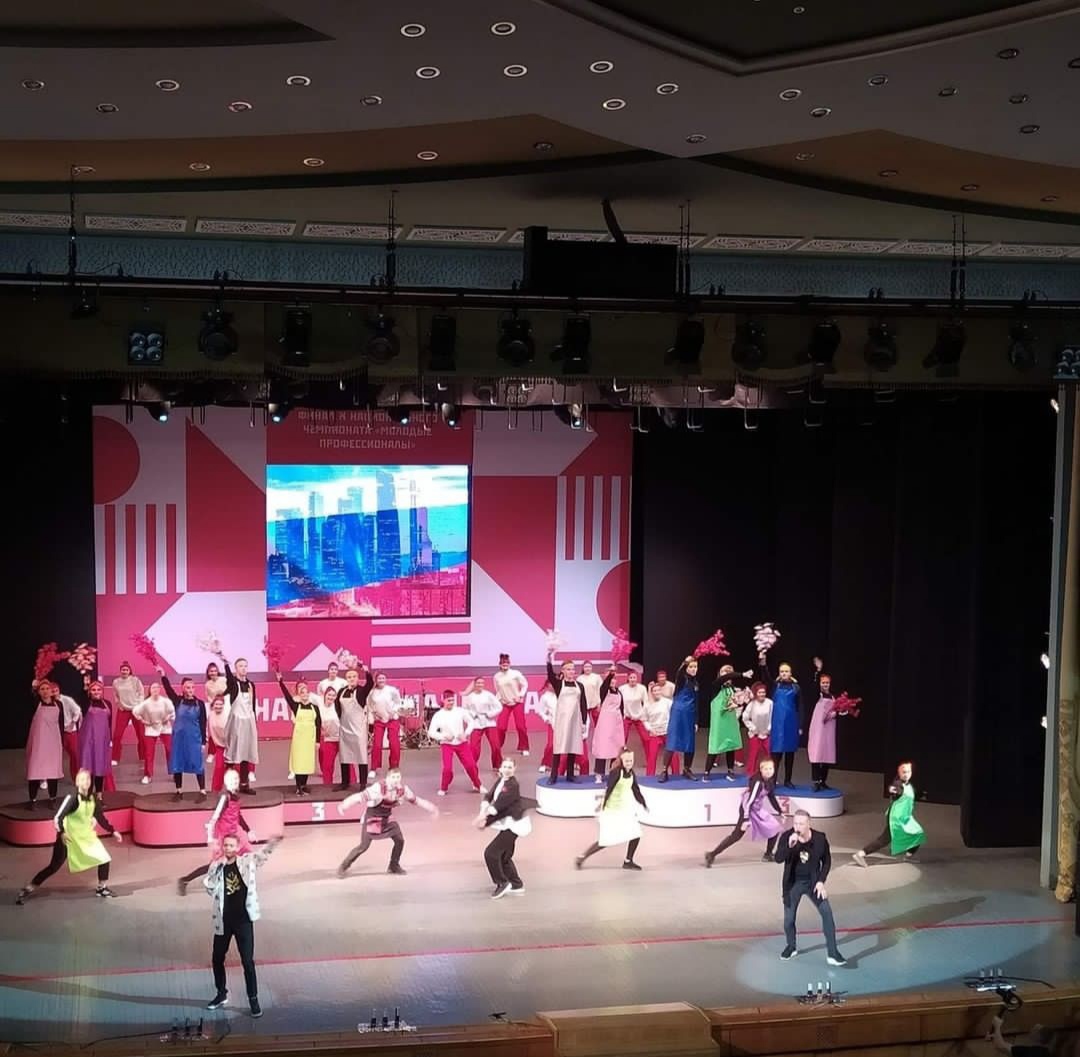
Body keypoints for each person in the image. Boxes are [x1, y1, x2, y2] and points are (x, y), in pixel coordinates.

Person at [16, 768, 123, 903]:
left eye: (88, 779)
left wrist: (113, 831)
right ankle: (29, 888)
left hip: (86, 837)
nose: (86, 782)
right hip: (68, 838)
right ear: (77, 782)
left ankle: (102, 888)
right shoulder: (72, 799)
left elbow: (100, 817)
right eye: (82, 779)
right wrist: (62, 833)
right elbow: (58, 818)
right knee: (54, 866)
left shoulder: (93, 799)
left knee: (104, 858)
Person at [204, 833, 282, 1017]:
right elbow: (209, 888)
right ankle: (221, 994)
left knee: (247, 961)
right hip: (223, 920)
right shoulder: (216, 865)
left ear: (238, 847)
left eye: (231, 845)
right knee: (217, 958)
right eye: (226, 845)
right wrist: (215, 872)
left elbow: (262, 856)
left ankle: (253, 1000)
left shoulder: (246, 862)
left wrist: (271, 844)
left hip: (243, 920)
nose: (228, 848)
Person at [774, 808, 845, 965]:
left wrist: (821, 881)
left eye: (801, 824)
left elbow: (826, 861)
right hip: (793, 884)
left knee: (827, 913)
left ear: (808, 824)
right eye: (795, 823)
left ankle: (833, 953)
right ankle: (791, 946)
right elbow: (778, 858)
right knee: (788, 920)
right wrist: (790, 846)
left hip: (813, 882)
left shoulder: (819, 838)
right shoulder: (787, 837)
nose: (797, 827)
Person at [336, 768, 437, 876]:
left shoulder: (403, 790)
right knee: (363, 846)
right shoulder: (378, 788)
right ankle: (343, 866)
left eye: (398, 777)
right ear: (388, 778)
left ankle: (394, 866)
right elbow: (359, 797)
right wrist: (344, 805)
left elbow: (416, 800)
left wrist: (431, 808)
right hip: (373, 818)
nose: (396, 780)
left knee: (399, 840)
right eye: (393, 777)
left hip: (387, 818)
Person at [178, 768, 255, 894]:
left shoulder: (235, 796)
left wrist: (248, 830)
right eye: (232, 779)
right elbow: (214, 818)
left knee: (243, 857)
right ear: (227, 781)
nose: (235, 781)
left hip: (234, 834)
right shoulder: (225, 797)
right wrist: (210, 838)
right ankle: (185, 880)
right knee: (215, 865)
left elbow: (238, 815)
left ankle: (234, 883)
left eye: (236, 779)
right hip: (224, 837)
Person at [575, 747, 648, 870]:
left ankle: (628, 861)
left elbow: (635, 790)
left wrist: (643, 803)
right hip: (612, 811)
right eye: (627, 761)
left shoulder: (631, 773)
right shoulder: (616, 772)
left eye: (631, 761)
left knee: (636, 833)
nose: (629, 763)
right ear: (622, 760)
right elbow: (608, 790)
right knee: (605, 841)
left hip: (624, 809)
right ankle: (582, 857)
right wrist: (602, 808)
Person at [705, 757, 785, 866]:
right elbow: (749, 801)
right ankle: (712, 854)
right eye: (766, 769)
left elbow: (771, 797)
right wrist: (746, 819)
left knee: (774, 828)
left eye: (771, 768)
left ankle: (768, 854)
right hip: (747, 809)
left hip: (757, 809)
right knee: (736, 836)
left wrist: (780, 811)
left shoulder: (770, 781)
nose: (768, 771)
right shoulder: (758, 783)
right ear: (761, 769)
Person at [475, 757, 530, 898]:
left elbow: (499, 806)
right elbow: (489, 796)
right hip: (507, 824)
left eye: (510, 767)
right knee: (505, 856)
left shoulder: (512, 785)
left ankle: (502, 883)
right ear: (500, 768)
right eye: (505, 767)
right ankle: (516, 884)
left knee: (490, 853)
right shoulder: (501, 780)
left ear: (514, 769)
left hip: (514, 826)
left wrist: (484, 819)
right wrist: (482, 813)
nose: (507, 770)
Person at [854, 761, 925, 866]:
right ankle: (860, 854)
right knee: (885, 839)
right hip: (895, 818)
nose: (906, 774)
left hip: (906, 817)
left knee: (918, 833)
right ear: (899, 773)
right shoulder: (898, 785)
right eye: (904, 772)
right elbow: (894, 790)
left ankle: (907, 856)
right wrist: (893, 791)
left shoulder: (908, 785)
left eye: (908, 772)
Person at [158, 669, 207, 800]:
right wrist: (163, 675)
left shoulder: (200, 704)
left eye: (192, 687)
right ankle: (179, 791)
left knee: (197, 764)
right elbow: (168, 690)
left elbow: (203, 723)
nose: (190, 690)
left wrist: (203, 742)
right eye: (187, 687)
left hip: (194, 739)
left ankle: (202, 791)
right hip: (179, 739)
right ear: (183, 688)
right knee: (177, 763)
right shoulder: (178, 701)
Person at [427, 690, 481, 795]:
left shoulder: (460, 711)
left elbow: (471, 722)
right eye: (449, 700)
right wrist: (443, 736)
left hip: (461, 743)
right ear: (443, 700)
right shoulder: (438, 715)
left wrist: (465, 734)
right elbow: (431, 732)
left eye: (452, 700)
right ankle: (444, 787)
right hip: (446, 744)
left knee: (471, 765)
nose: (451, 702)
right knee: (447, 769)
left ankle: (477, 784)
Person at [546, 653, 588, 784]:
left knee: (573, 746)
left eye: (573, 669)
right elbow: (550, 675)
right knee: (559, 747)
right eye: (568, 669)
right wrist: (548, 659)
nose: (571, 671)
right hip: (562, 720)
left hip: (575, 720)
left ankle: (570, 774)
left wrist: (584, 722)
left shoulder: (580, 685)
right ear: (563, 671)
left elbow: (583, 704)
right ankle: (553, 776)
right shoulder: (559, 684)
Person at [276, 674, 321, 794]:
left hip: (310, 738)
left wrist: (317, 741)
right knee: (299, 761)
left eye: (306, 693)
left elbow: (318, 724)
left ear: (309, 694)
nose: (304, 695)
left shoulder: (315, 708)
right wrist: (280, 682)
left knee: (306, 762)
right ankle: (298, 786)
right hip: (299, 739)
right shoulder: (296, 706)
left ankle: (304, 785)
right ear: (299, 695)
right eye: (302, 693)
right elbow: (287, 696)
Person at [761, 660, 803, 787]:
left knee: (790, 754)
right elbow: (766, 677)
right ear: (779, 673)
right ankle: (772, 780)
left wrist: (800, 725)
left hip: (791, 723)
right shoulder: (775, 686)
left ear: (790, 673)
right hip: (777, 724)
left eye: (786, 671)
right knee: (776, 754)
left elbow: (800, 707)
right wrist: (763, 664)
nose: (784, 673)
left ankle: (788, 780)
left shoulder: (796, 688)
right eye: (782, 671)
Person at [660, 656, 700, 782]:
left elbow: (697, 703)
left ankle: (687, 769)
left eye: (695, 667)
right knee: (672, 741)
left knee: (690, 743)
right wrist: (685, 662)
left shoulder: (696, 683)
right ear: (687, 668)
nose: (693, 669)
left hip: (689, 715)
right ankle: (664, 771)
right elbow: (679, 673)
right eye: (691, 667)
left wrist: (696, 721)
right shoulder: (682, 680)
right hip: (678, 714)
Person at [25, 682, 66, 806]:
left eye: (47, 688)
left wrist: (61, 741)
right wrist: (33, 686)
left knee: (53, 772)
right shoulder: (35, 703)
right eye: (42, 689)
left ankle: (52, 799)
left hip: (53, 741)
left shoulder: (59, 704)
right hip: (38, 742)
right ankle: (32, 800)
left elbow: (61, 723)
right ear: (38, 692)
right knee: (35, 771)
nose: (45, 691)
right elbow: (30, 695)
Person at [704, 665, 747, 782]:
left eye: (729, 672)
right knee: (714, 746)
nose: (727, 674)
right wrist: (742, 674)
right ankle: (707, 772)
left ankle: (730, 770)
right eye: (724, 671)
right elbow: (724, 678)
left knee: (730, 745)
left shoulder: (732, 689)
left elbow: (736, 703)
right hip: (719, 721)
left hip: (730, 719)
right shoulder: (716, 685)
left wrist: (738, 704)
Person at [222, 658, 259, 794]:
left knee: (246, 754)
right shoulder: (233, 684)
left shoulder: (251, 685)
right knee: (232, 754)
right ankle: (229, 787)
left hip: (249, 721)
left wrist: (254, 721)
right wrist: (225, 663)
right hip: (236, 722)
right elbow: (229, 678)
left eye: (245, 666)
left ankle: (244, 784)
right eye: (240, 666)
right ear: (236, 669)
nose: (243, 668)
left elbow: (252, 704)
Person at [335, 665, 374, 790]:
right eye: (349, 677)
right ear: (346, 679)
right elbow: (337, 706)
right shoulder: (341, 691)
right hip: (345, 728)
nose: (351, 679)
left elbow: (370, 683)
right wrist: (342, 719)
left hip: (358, 730)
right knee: (344, 756)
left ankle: (363, 783)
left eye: (354, 676)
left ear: (357, 678)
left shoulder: (362, 691)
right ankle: (345, 782)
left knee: (361, 756)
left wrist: (366, 671)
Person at [77, 676, 113, 795]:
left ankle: (99, 795)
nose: (96, 692)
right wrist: (85, 686)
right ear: (89, 692)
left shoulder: (108, 704)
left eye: (99, 689)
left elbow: (109, 722)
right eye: (93, 690)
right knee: (87, 768)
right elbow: (82, 698)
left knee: (99, 767)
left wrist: (110, 739)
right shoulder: (86, 703)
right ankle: (86, 795)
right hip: (88, 741)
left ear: (102, 691)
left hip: (102, 741)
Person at [134, 682, 175, 785]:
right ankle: (148, 775)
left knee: (170, 750)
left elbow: (172, 712)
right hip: (150, 729)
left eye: (157, 687)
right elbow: (135, 711)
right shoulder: (146, 703)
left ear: (160, 689)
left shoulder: (165, 701)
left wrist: (168, 718)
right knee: (149, 752)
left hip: (165, 727)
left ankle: (175, 772)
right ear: (150, 690)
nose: (155, 689)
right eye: (153, 687)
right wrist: (143, 721)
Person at [591, 667, 627, 783]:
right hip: (605, 722)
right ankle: (599, 774)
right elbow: (605, 685)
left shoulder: (619, 692)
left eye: (614, 679)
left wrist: (621, 719)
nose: (612, 681)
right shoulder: (603, 691)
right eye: (610, 679)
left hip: (616, 723)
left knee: (616, 749)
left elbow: (621, 707)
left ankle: (614, 773)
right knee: (603, 748)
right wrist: (611, 674)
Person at [367, 671, 403, 778]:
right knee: (377, 744)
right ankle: (374, 768)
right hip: (379, 720)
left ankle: (394, 767)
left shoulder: (392, 690)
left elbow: (398, 702)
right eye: (379, 678)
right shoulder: (372, 692)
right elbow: (369, 706)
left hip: (392, 720)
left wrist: (394, 712)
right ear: (376, 680)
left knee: (394, 744)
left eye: (383, 678)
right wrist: (373, 716)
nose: (381, 680)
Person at [463, 676, 503, 770]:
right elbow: (465, 709)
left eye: (482, 683)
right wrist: (473, 714)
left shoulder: (489, 695)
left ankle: (497, 765)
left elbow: (499, 707)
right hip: (476, 723)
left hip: (489, 722)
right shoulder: (469, 697)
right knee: (474, 747)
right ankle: (471, 765)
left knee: (495, 745)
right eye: (478, 683)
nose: (480, 685)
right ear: (474, 684)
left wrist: (489, 714)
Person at [493, 653, 530, 756]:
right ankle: (497, 747)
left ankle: (524, 747)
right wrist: (499, 700)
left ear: (509, 664)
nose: (505, 664)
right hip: (505, 703)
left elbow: (525, 684)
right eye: (503, 663)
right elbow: (497, 690)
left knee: (520, 726)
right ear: (500, 664)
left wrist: (520, 695)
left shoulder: (515, 673)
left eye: (507, 663)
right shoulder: (496, 676)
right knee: (501, 727)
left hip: (517, 703)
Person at [642, 681, 680, 777]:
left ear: (661, 691)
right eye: (654, 691)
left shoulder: (667, 702)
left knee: (673, 754)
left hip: (667, 732)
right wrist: (650, 729)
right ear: (651, 692)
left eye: (658, 690)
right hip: (654, 733)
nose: (656, 692)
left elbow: (675, 714)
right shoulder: (647, 705)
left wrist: (672, 727)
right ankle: (649, 777)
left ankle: (676, 774)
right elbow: (644, 719)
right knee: (652, 756)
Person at [111, 661, 146, 766]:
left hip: (135, 710)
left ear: (130, 671)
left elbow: (141, 693)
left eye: (126, 670)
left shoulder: (135, 680)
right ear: (120, 671)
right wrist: (118, 704)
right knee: (117, 735)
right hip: (123, 710)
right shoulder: (116, 682)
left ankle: (143, 756)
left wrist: (139, 705)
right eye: (123, 670)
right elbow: (116, 695)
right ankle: (115, 758)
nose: (124, 671)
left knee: (141, 734)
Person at [807, 672, 838, 791]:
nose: (825, 684)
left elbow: (837, 709)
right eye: (823, 682)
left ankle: (823, 781)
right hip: (818, 727)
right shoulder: (817, 695)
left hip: (829, 728)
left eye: (827, 683)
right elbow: (813, 686)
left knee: (827, 754)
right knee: (817, 753)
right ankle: (816, 782)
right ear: (820, 684)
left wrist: (836, 713)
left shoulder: (833, 696)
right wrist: (818, 671)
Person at [987, 1014, 1063, 1056]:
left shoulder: (1031, 1052)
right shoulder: (1044, 1053)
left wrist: (997, 1026)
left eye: (1034, 1029)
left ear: (1038, 1037)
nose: (1030, 1030)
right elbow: (1006, 1046)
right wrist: (995, 1035)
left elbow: (1001, 1046)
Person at [742, 682, 773, 777]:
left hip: (767, 734)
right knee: (753, 755)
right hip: (755, 734)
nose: (762, 694)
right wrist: (753, 728)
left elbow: (773, 717)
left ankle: (769, 775)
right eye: (760, 692)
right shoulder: (752, 704)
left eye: (763, 692)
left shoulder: (770, 703)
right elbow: (745, 718)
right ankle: (752, 775)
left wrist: (769, 729)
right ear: (756, 693)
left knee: (768, 755)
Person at [619, 668, 650, 756]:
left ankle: (650, 758)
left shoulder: (642, 688)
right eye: (631, 677)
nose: (633, 679)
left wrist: (640, 715)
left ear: (637, 678)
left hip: (639, 717)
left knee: (646, 738)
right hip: (627, 717)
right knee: (622, 738)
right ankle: (619, 758)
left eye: (634, 677)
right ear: (628, 678)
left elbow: (646, 703)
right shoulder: (622, 689)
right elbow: (619, 702)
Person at [315, 684, 341, 786]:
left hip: (341, 738)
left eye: (333, 695)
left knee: (348, 764)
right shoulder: (319, 704)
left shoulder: (339, 706)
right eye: (329, 695)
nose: (331, 697)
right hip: (328, 739)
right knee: (327, 764)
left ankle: (352, 784)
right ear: (324, 695)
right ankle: (327, 786)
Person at [205, 694, 230, 792]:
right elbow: (211, 732)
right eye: (216, 704)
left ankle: (233, 790)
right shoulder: (211, 715)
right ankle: (215, 790)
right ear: (213, 705)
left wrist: (228, 748)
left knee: (233, 769)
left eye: (220, 704)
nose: (218, 706)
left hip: (230, 745)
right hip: (219, 745)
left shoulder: (227, 716)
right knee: (219, 767)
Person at [58, 684, 82, 780]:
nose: (54, 693)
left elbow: (78, 710)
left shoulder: (67, 700)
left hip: (69, 731)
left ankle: (76, 776)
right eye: (52, 691)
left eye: (56, 691)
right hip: (56, 732)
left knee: (75, 754)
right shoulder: (49, 702)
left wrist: (73, 722)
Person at [579, 660, 604, 730]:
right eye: (586, 667)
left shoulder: (597, 677)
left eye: (589, 667)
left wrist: (599, 703)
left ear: (592, 667)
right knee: (584, 725)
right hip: (584, 706)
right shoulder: (579, 679)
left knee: (598, 725)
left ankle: (598, 737)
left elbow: (601, 690)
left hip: (595, 705)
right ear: (583, 668)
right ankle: (584, 737)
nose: (587, 668)